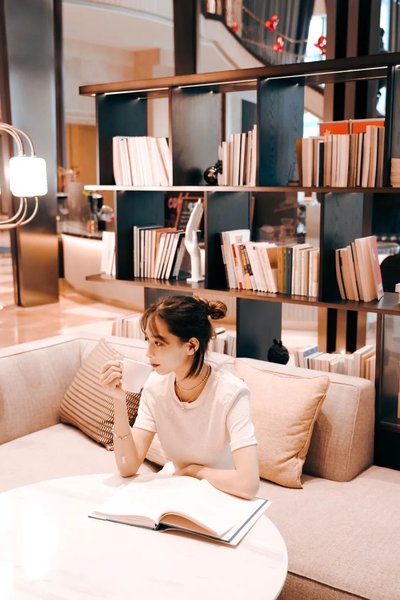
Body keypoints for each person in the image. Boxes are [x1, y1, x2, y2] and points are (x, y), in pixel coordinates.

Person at [100, 294, 259, 499]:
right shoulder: (154, 386)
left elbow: (248, 484)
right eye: (148, 340)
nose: (148, 352)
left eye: (159, 343)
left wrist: (195, 472)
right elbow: (127, 467)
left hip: (222, 495)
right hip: (177, 489)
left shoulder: (232, 393)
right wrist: (118, 400)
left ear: (191, 346)